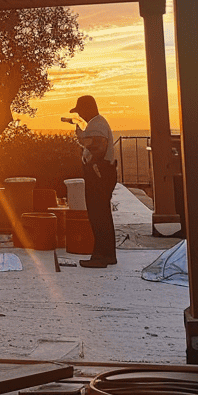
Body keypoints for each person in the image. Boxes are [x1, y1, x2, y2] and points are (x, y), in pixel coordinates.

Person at [69, 94, 118, 268]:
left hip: (100, 174)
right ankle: (107, 255)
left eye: (81, 110)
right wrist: (82, 135)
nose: (80, 114)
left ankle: (100, 257)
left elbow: (98, 146)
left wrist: (93, 165)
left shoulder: (97, 124)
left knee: (99, 215)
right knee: (102, 214)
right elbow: (92, 142)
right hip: (102, 173)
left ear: (89, 108)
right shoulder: (97, 124)